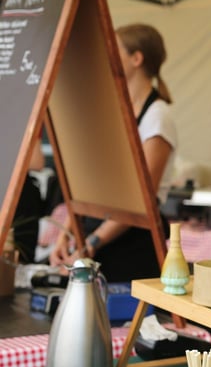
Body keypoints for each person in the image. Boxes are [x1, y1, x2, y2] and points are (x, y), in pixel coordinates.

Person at [50, 23, 178, 283]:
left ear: (136, 58)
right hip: (97, 232)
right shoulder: (115, 109)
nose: (106, 54)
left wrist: (91, 244)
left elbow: (142, 199)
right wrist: (66, 234)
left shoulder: (157, 116)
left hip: (131, 243)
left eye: (114, 48)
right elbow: (91, 184)